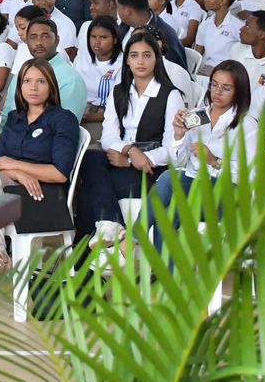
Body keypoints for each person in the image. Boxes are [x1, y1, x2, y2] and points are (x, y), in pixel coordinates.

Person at [0, 58, 83, 285]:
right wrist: (20, 174)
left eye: (41, 81)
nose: (33, 87)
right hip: (11, 189)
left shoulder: (63, 119)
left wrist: (17, 166)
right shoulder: (14, 118)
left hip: (42, 195)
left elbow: (59, 173)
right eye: (27, 81)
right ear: (19, 86)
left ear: (51, 86)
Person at [77, 32, 187, 245]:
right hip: (123, 157)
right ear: (127, 60)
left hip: (150, 169)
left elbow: (171, 148)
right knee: (89, 158)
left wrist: (132, 161)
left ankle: (96, 246)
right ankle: (109, 226)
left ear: (157, 58)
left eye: (147, 55)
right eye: (134, 55)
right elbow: (108, 135)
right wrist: (129, 151)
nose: (140, 61)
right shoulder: (119, 92)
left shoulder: (170, 95)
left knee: (89, 189)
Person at [148, 60, 253, 252]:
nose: (217, 92)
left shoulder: (247, 125)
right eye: (214, 85)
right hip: (193, 188)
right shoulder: (196, 116)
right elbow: (178, 162)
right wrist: (179, 135)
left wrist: (215, 161)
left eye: (226, 88)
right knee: (166, 210)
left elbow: (250, 175)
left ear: (239, 91)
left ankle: (133, 238)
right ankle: (168, 277)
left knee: (170, 179)